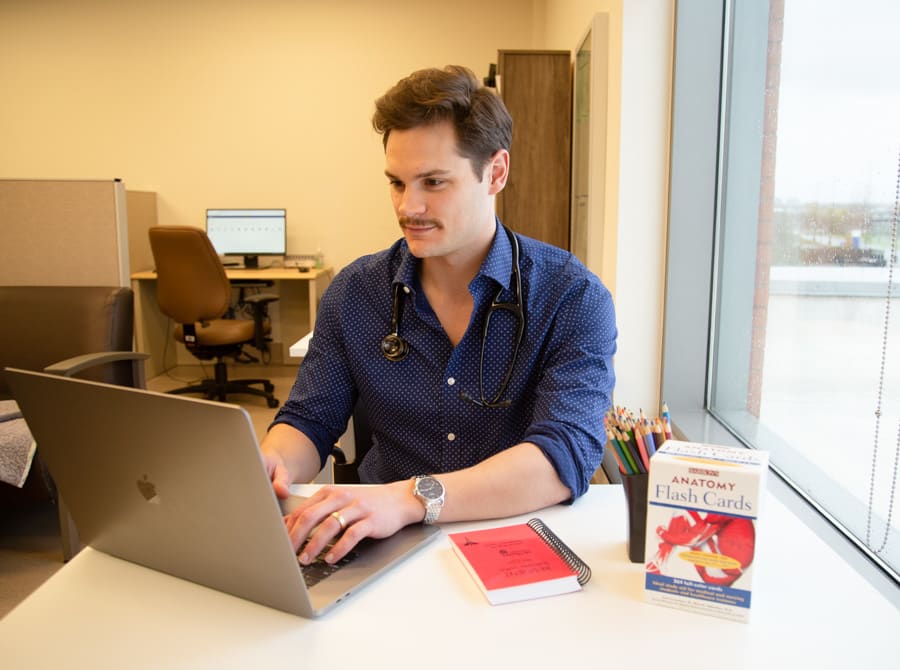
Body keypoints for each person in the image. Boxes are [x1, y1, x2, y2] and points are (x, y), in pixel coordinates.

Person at [261, 65, 617, 567]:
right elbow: (309, 419)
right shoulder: (356, 292)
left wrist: (409, 499)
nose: (409, 206)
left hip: (511, 543)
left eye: (434, 181)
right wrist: (273, 460)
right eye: (397, 183)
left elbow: (564, 457)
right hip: (381, 547)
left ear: (495, 172)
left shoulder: (572, 297)